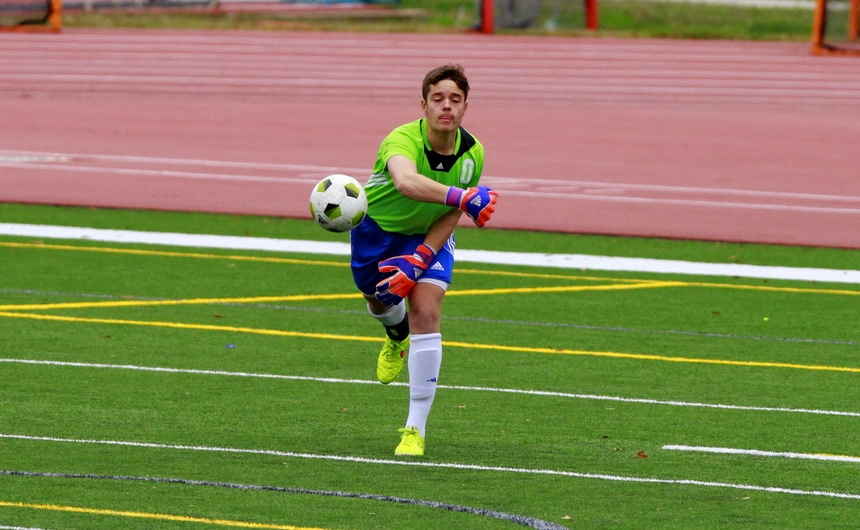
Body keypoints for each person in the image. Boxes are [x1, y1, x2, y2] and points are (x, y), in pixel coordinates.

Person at [350, 64, 498, 457]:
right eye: (438, 99)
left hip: (429, 235)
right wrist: (464, 198)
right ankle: (395, 335)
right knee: (377, 298)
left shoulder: (473, 152)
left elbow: (451, 215)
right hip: (377, 233)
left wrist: (421, 257)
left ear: (466, 106)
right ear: (424, 105)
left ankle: (414, 429)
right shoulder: (401, 139)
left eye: (455, 99)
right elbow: (406, 182)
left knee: (427, 312)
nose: (446, 107)